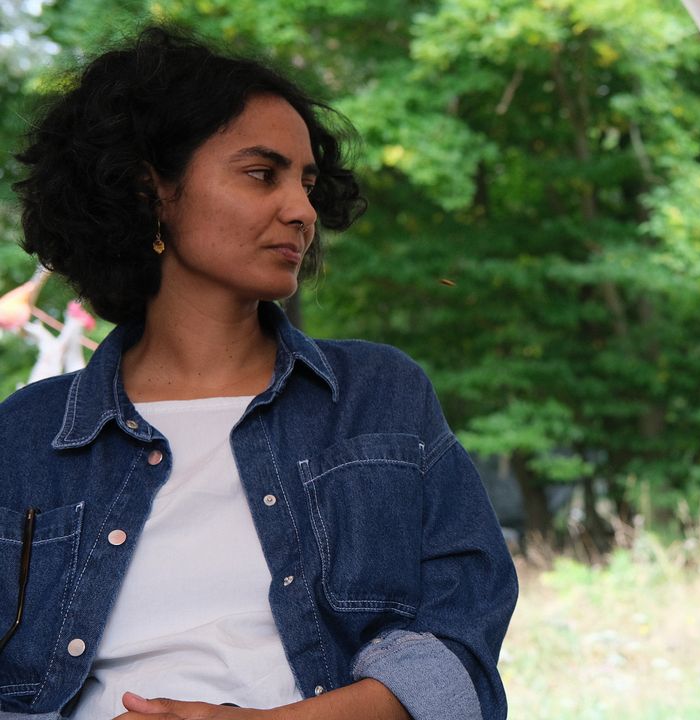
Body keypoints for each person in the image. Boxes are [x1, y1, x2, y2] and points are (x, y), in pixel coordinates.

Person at [0, 26, 517, 720]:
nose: (302, 210)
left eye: (306, 183)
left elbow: (457, 652)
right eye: (261, 174)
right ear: (151, 190)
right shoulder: (27, 435)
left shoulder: (379, 397)